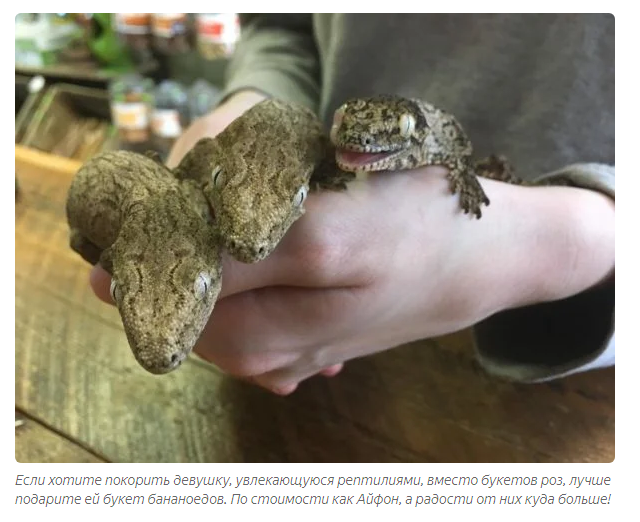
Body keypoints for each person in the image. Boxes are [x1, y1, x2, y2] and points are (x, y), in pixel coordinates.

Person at [91, 14, 615, 395]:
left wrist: (568, 243)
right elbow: (284, 25)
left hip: (566, 371)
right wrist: (255, 104)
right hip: (303, 323)